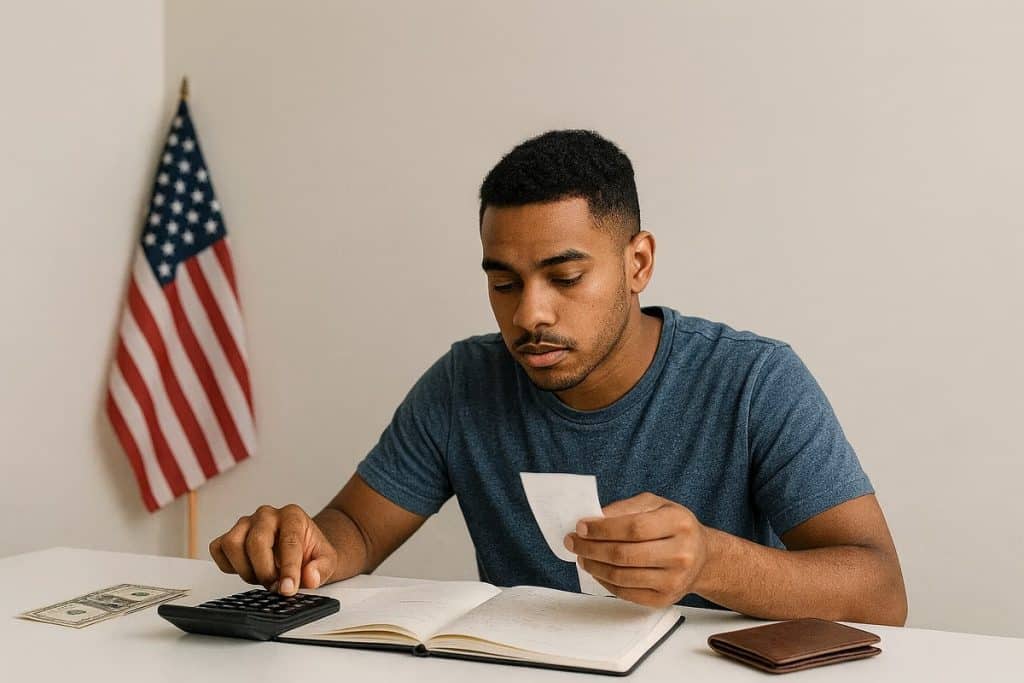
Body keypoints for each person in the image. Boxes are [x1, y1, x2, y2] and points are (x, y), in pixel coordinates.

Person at [210, 130, 907, 625]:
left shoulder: (754, 380)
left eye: (565, 277)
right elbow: (356, 530)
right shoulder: (464, 382)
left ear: (638, 264)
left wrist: (710, 562)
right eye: (504, 282)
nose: (530, 313)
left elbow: (881, 593)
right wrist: (304, 547)